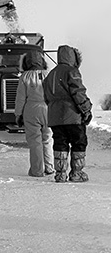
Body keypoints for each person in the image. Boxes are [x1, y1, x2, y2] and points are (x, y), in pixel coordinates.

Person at [42, 44, 92, 183]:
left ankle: (60, 174)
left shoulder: (51, 74)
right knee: (79, 143)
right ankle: (77, 173)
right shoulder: (72, 71)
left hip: (55, 117)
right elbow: (78, 92)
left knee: (60, 143)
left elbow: (45, 97)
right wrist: (86, 109)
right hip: (73, 115)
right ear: (73, 57)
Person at [15, 51, 54, 177]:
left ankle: (37, 170)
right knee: (47, 139)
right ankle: (50, 168)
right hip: (48, 108)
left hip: (31, 109)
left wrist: (18, 114)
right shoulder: (49, 75)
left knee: (35, 141)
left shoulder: (25, 76)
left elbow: (20, 98)